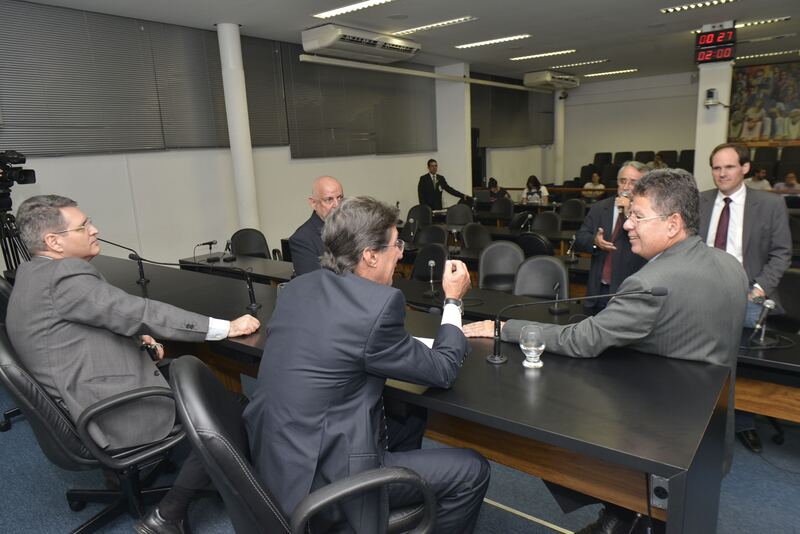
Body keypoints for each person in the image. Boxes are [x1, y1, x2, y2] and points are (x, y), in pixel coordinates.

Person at [464, 168, 748, 534]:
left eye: (637, 216)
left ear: (673, 223)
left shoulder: (650, 282)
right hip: (710, 433)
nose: (627, 224)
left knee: (555, 419)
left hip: (660, 439)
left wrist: (504, 328)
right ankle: (623, 515)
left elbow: (581, 340)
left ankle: (621, 512)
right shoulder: (730, 265)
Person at [6, 195, 261, 534]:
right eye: (83, 226)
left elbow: (86, 322)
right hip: (107, 410)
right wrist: (225, 328)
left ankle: (122, 477)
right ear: (54, 241)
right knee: (228, 406)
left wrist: (138, 338)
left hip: (75, 397)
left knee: (187, 372)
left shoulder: (31, 273)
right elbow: (140, 312)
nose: (94, 229)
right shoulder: (63, 276)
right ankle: (169, 514)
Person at [244, 197, 489, 534]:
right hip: (325, 481)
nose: (401, 253)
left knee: (410, 417)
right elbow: (443, 370)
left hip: (277, 459)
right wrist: (452, 302)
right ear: (371, 256)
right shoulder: (378, 306)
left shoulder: (298, 287)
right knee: (472, 470)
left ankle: (405, 493)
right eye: (396, 244)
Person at [700, 143, 792, 454]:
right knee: (700, 359)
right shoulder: (700, 201)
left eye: (729, 166)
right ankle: (702, 420)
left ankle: (743, 423)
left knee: (740, 364)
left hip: (748, 295)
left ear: (745, 168)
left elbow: (781, 253)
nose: (722, 173)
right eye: (716, 167)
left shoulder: (769, 204)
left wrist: (759, 289)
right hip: (704, 293)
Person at [574, 161, 648, 313]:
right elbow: (580, 237)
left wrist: (628, 214)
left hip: (629, 292)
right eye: (623, 181)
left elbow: (648, 243)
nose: (626, 187)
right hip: (598, 290)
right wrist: (595, 241)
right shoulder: (600, 208)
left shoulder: (649, 213)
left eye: (633, 182)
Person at [288, 176, 344, 276]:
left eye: (340, 198)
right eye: (329, 199)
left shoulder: (352, 227)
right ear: (313, 203)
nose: (337, 205)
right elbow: (314, 281)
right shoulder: (302, 239)